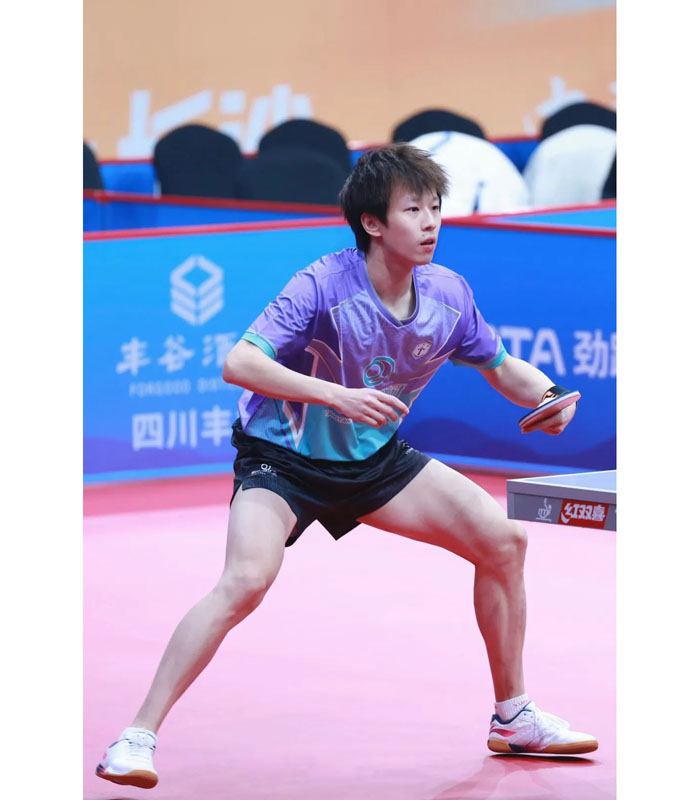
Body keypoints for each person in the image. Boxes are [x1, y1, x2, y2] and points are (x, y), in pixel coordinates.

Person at [96, 143, 598, 789]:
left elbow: (500, 367)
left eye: (435, 207)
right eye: (412, 209)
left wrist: (548, 396)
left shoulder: (448, 293)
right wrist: (337, 395)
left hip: (372, 461)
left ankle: (514, 718)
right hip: (283, 459)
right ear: (372, 223)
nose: (430, 222)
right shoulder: (323, 284)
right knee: (246, 579)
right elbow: (239, 363)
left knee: (503, 541)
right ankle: (135, 738)